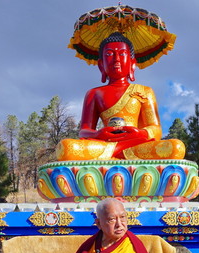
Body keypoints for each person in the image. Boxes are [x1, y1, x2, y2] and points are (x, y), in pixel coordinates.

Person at [56, 32, 185, 161]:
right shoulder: (94, 93)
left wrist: (140, 132)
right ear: (101, 65)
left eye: (122, 54)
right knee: (67, 147)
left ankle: (115, 154)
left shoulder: (145, 91)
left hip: (135, 145)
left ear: (132, 63)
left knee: (176, 147)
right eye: (109, 54)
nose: (117, 59)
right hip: (105, 144)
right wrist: (98, 134)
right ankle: (116, 152)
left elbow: (156, 129)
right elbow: (84, 131)